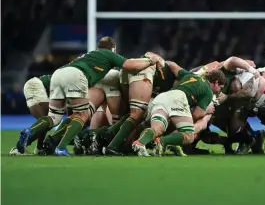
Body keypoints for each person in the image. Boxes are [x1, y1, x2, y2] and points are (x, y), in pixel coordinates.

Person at [14, 36, 162, 156]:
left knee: (54, 117)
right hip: (75, 76)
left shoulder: (89, 55)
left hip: (58, 75)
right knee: (82, 115)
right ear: (113, 49)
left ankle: (30, 131)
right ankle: (61, 148)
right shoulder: (109, 54)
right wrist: (150, 60)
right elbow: (130, 64)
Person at [131, 61, 226, 156]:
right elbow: (197, 115)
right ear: (216, 83)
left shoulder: (191, 75)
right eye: (220, 88)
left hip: (163, 97)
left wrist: (161, 61)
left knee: (157, 128)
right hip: (179, 99)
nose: (218, 92)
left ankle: (139, 143)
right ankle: (161, 142)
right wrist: (206, 111)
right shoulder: (208, 91)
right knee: (189, 136)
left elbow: (173, 65)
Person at [9, 74, 51, 155]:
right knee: (50, 119)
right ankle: (19, 148)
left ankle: (39, 148)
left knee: (46, 120)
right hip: (36, 85)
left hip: (37, 85)